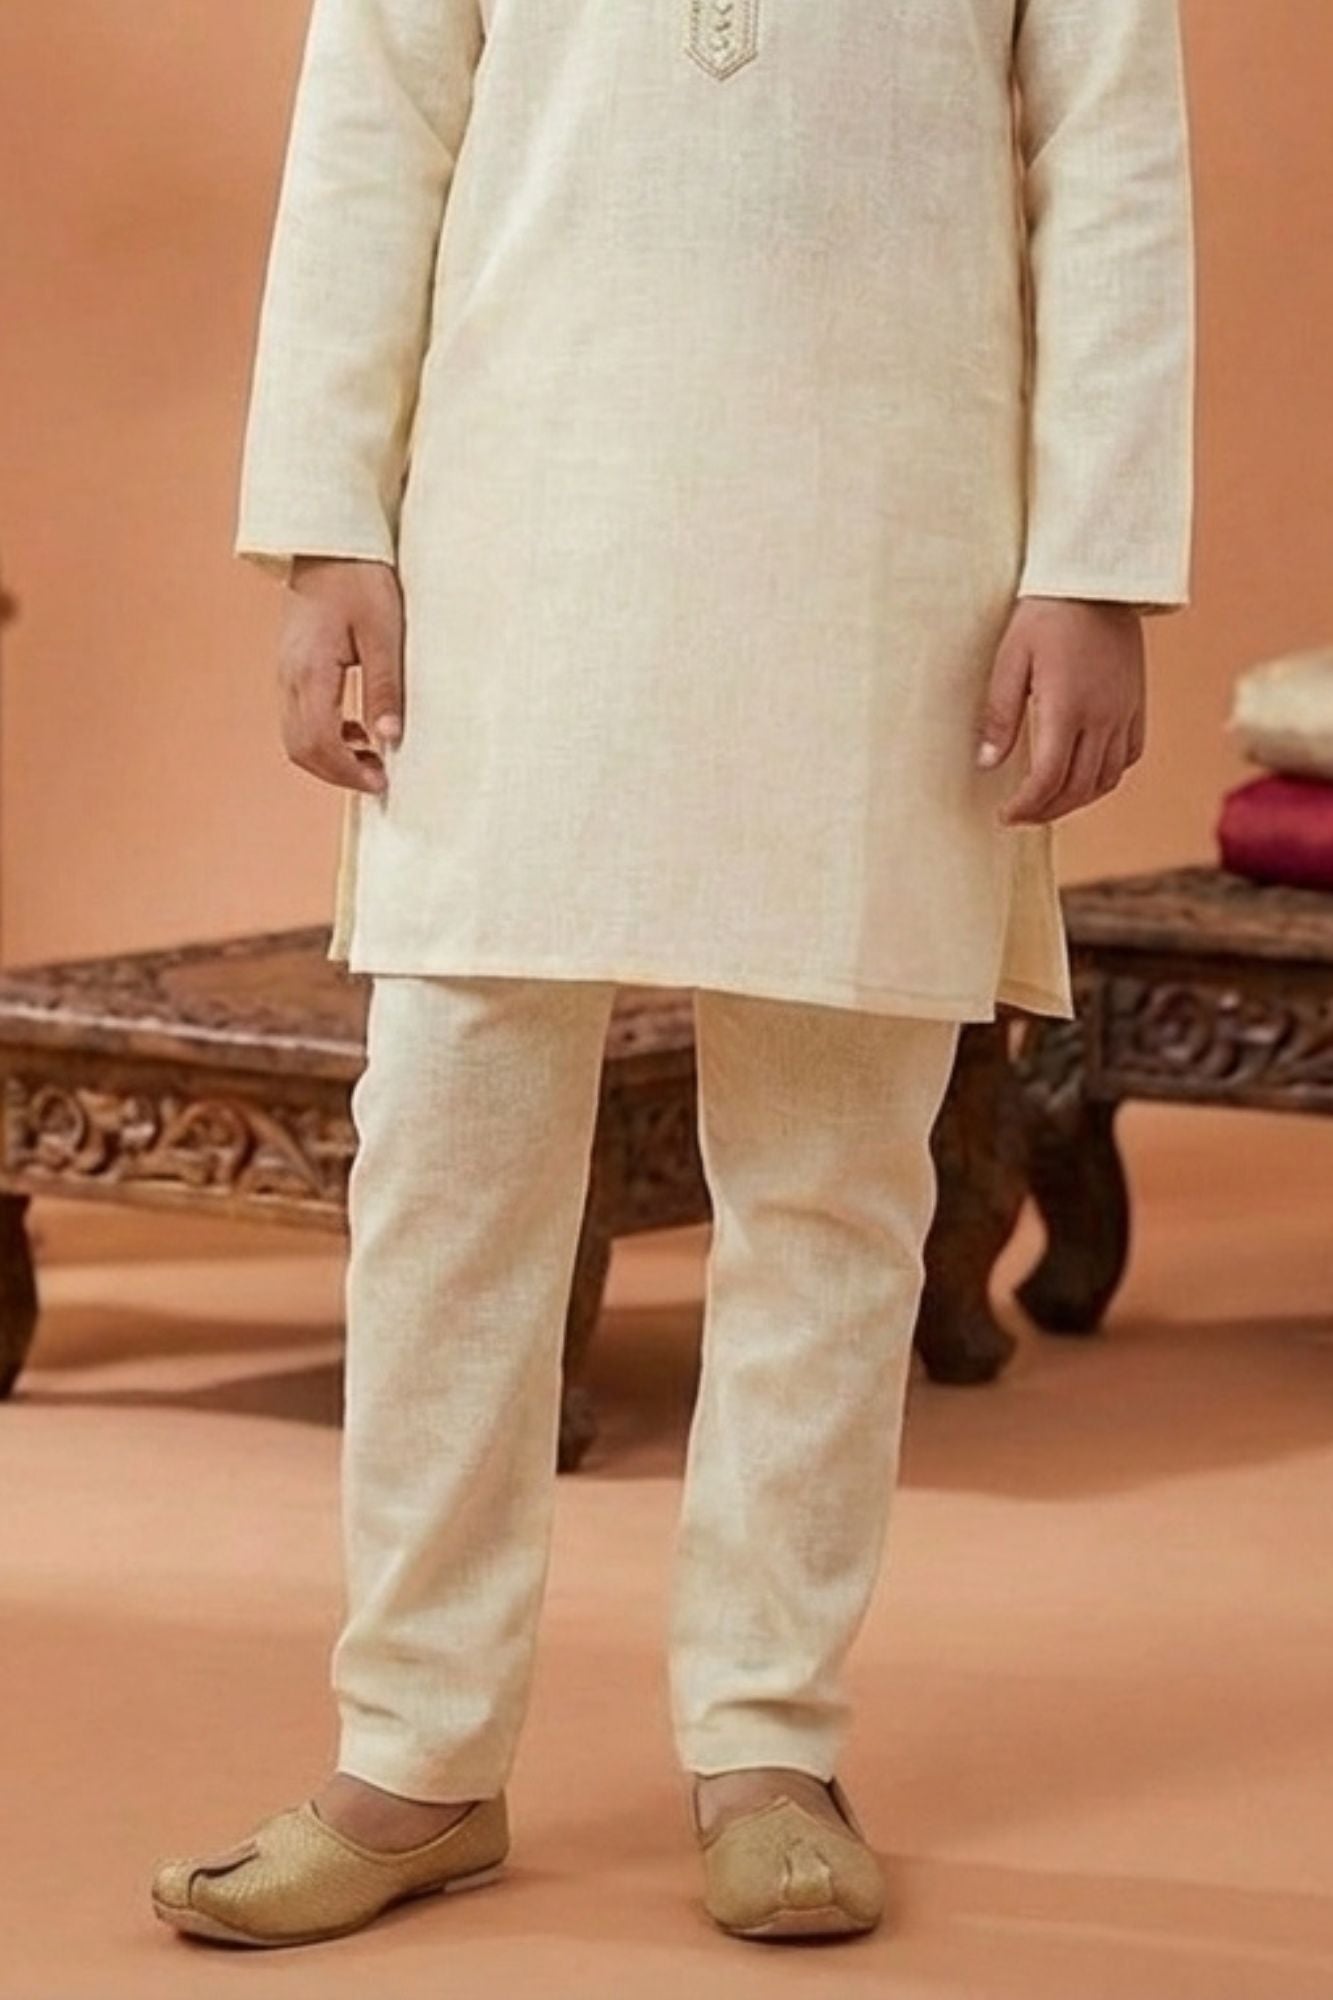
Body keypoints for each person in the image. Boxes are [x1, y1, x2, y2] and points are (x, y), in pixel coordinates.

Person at [152, 0, 1194, 1948]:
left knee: (834, 1179)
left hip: (896, 541)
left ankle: (769, 1739)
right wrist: (322, 527)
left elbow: (1112, 162)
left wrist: (1094, 567)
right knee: (448, 1158)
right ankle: (415, 1750)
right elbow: (373, 122)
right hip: (513, 514)